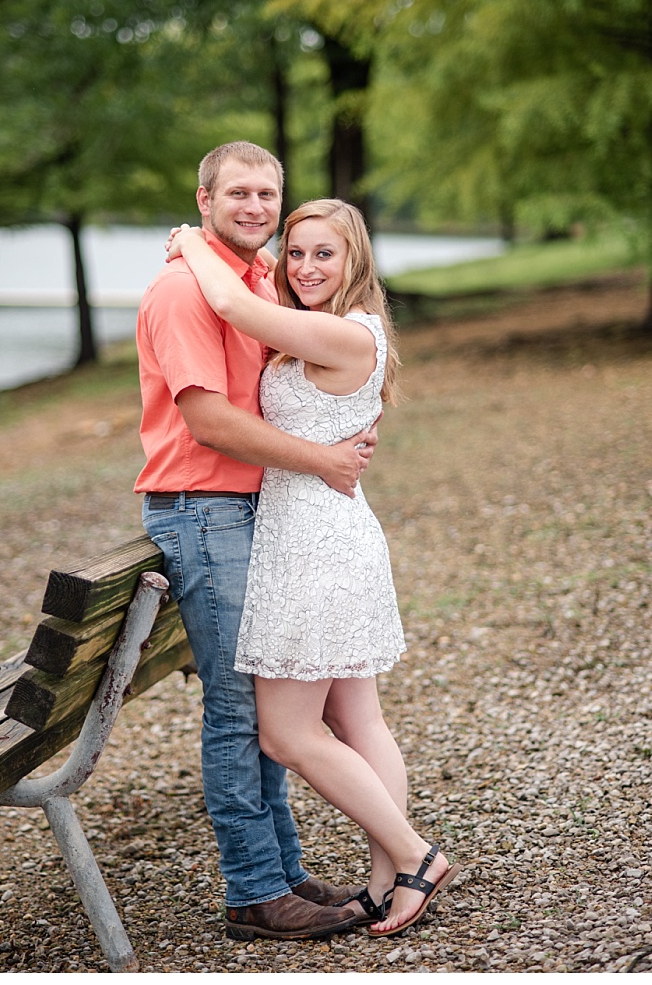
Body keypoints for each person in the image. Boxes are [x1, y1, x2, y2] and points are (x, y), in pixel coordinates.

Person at [167, 197, 460, 937]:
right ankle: (388, 883)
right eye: (295, 253)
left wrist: (187, 239)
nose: (305, 268)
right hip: (324, 532)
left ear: (355, 257)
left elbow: (231, 300)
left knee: (286, 734)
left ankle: (414, 853)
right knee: (358, 717)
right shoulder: (344, 332)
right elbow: (255, 295)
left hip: (313, 547)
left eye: (323, 253)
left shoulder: (343, 334)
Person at [137, 142, 377, 941]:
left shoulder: (246, 277)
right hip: (202, 509)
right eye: (236, 192)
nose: (254, 206)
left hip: (250, 512)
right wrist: (327, 459)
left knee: (264, 699)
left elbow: (296, 297)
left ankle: (282, 870)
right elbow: (206, 420)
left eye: (267, 193)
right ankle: (252, 889)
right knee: (240, 710)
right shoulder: (184, 291)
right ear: (202, 198)